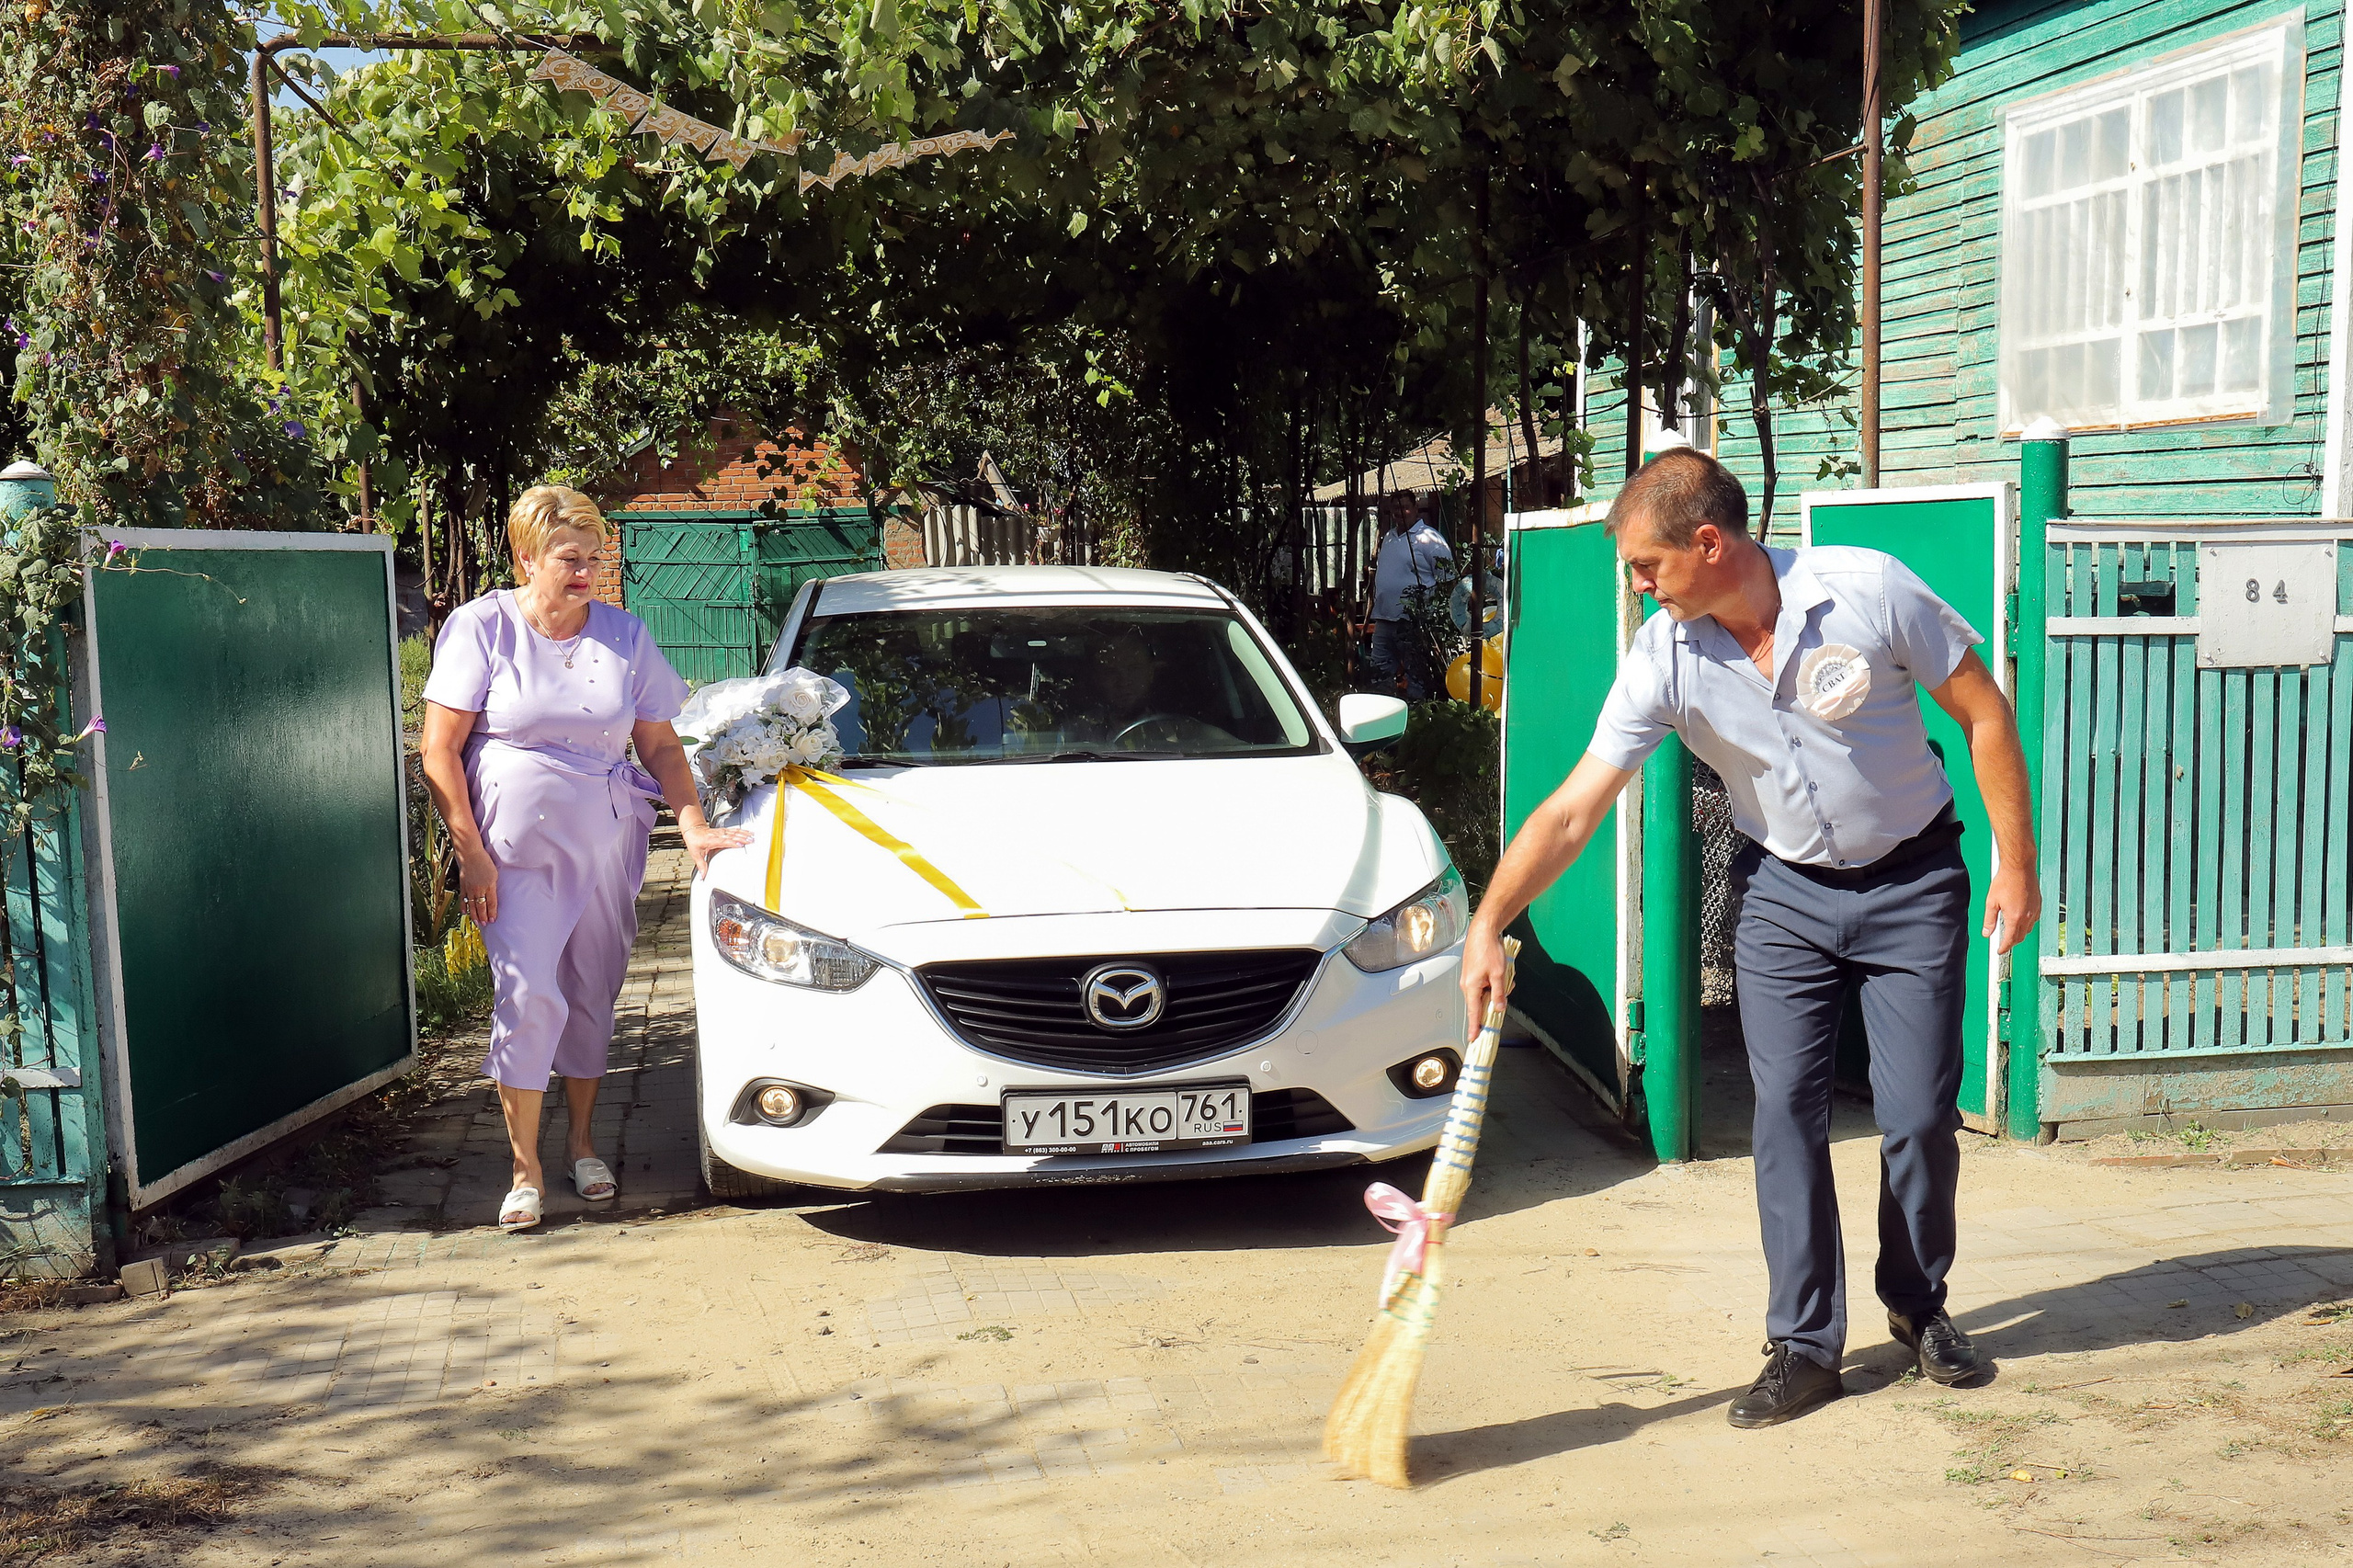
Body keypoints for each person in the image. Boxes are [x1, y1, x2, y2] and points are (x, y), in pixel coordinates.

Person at [1459, 448, 2040, 1427]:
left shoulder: (1867, 590)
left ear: (1708, 541)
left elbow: (1981, 708)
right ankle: (1804, 1343)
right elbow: (1573, 811)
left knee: (1917, 1117)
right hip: (1781, 897)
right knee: (1784, 1112)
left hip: (1911, 882)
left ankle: (1915, 1300)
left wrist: (2016, 864)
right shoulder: (1664, 655)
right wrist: (1487, 920)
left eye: (1647, 565)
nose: (1639, 585)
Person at [419, 486, 752, 1233]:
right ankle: (524, 1168)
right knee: (530, 992)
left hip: (605, 843)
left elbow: (661, 746)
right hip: (511, 854)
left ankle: (581, 1144)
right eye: (570, 559)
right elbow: (438, 751)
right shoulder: (483, 628)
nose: (587, 574)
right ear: (525, 557)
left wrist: (693, 825)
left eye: (595, 559)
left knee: (591, 989)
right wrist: (468, 853)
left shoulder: (624, 635)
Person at [1368, 492, 1454, 699]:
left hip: (1413, 622)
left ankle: (1419, 717)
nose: (1400, 512)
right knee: (1379, 672)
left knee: (1416, 674)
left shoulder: (1429, 538)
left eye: (1405, 507)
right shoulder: (1388, 537)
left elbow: (1447, 579)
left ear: (1416, 509)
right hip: (1384, 619)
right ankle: (1384, 714)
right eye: (1396, 508)